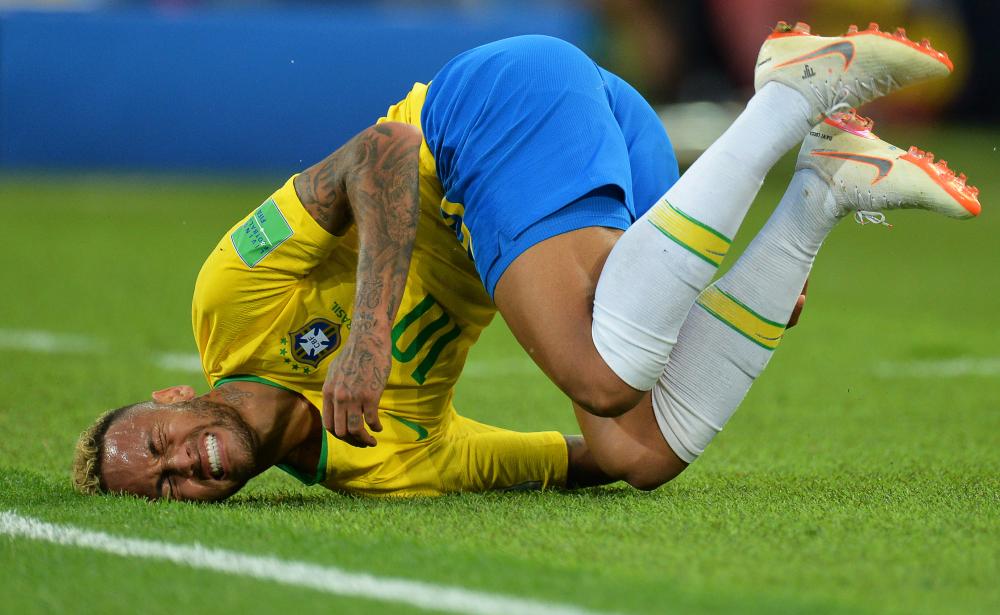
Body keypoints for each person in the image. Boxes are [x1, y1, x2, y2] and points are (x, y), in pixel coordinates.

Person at [74, 23, 979, 501]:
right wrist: (727, 318)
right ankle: (822, 192)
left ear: (171, 396)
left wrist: (367, 336)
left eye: (154, 445)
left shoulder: (230, 299)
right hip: (594, 150)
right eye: (163, 490)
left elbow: (385, 149)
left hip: (488, 109)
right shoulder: (378, 469)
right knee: (634, 450)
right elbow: (578, 460)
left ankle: (784, 100)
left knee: (599, 372)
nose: (179, 466)